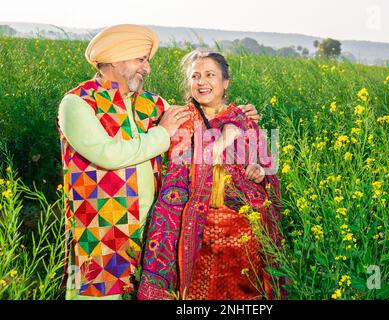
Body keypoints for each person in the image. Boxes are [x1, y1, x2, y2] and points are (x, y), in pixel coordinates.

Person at [57, 25, 259, 300]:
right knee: (93, 296)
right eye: (141, 59)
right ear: (116, 58)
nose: (147, 68)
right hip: (100, 231)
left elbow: (201, 126)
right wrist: (162, 133)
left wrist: (238, 117)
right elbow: (108, 154)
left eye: (147, 60)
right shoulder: (78, 103)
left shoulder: (152, 104)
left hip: (148, 229)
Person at [137, 50, 282, 300]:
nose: (201, 82)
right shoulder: (182, 119)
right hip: (199, 231)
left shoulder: (243, 118)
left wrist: (258, 172)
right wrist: (223, 140)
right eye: (195, 76)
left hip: (245, 233)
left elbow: (266, 168)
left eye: (209, 75)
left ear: (225, 82)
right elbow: (181, 167)